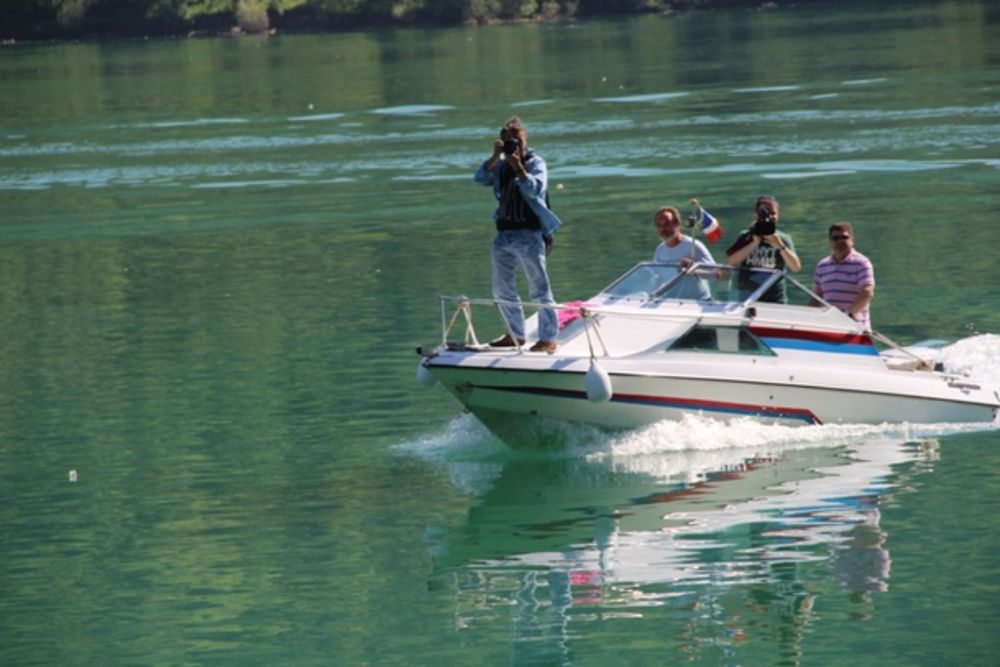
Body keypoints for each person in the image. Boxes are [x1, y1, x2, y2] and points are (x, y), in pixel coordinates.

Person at [474, 116, 562, 353]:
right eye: (509, 142)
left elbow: (535, 189)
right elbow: (479, 178)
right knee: (502, 289)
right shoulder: (501, 165)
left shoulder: (536, 163)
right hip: (504, 233)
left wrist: (519, 168)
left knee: (539, 289)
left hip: (529, 233)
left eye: (518, 141)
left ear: (525, 141)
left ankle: (548, 337)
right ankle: (515, 335)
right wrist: (495, 156)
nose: (515, 146)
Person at [725, 195, 802, 303]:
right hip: (747, 298)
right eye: (764, 213)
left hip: (775, 299)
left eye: (773, 213)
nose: (769, 217)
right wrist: (754, 243)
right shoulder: (745, 236)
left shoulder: (783, 239)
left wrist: (779, 245)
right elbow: (731, 262)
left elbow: (796, 267)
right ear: (755, 215)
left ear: (778, 215)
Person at [813, 221, 875, 329]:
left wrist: (848, 316)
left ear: (852, 240)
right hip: (829, 327)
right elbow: (816, 298)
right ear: (830, 242)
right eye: (836, 238)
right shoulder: (822, 266)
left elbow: (867, 292)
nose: (840, 241)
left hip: (856, 329)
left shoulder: (862, 263)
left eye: (844, 237)